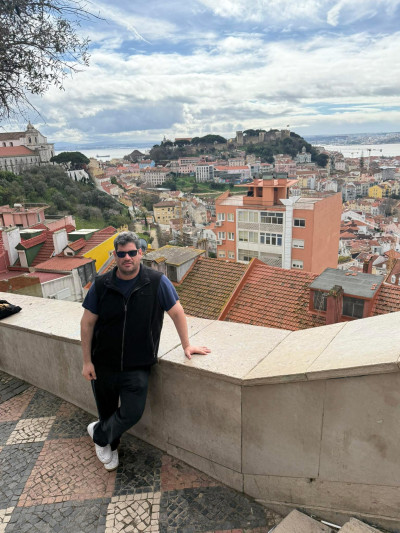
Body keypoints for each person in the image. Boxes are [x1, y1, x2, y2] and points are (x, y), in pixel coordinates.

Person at [81, 231, 210, 471]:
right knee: (106, 410)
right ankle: (110, 445)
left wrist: (186, 344)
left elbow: (177, 312)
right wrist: (87, 361)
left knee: (132, 411)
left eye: (132, 252)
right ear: (115, 255)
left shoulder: (157, 282)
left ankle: (98, 434)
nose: (127, 258)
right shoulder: (101, 284)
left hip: (138, 364)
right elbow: (87, 323)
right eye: (122, 254)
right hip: (103, 363)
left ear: (140, 253)